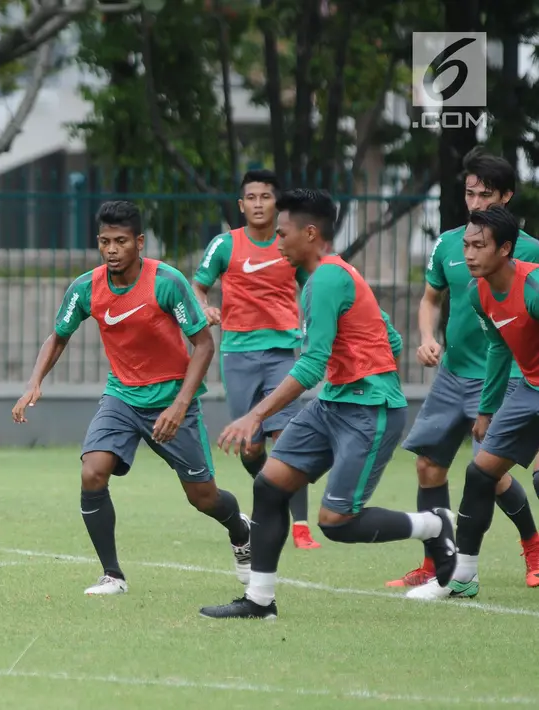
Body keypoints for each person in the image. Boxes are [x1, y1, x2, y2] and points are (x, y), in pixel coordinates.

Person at [198, 188, 456, 620]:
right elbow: (388, 337)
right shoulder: (330, 277)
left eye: (283, 234)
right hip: (333, 404)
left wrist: (255, 415)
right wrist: (360, 358)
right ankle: (260, 601)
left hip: (368, 411)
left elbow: (313, 364)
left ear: (310, 233)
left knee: (337, 523)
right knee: (269, 486)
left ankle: (435, 525)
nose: (277, 242)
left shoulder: (328, 279)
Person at [11, 200, 252, 596]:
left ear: (139, 242)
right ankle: (112, 575)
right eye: (104, 241)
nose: (111, 250)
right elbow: (58, 335)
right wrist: (35, 381)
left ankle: (241, 529)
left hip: (173, 398)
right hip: (121, 396)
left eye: (120, 241)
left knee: (203, 497)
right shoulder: (86, 287)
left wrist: (178, 405)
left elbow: (204, 346)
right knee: (92, 472)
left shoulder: (167, 282)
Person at [390, 150, 539, 588]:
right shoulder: (456, 250)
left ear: (507, 197)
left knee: (495, 475)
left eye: (486, 194)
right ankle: (442, 565)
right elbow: (433, 300)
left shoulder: (528, 262)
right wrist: (428, 337)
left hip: (518, 379)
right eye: (469, 193)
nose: (476, 203)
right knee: (433, 468)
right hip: (460, 376)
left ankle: (532, 546)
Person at [193, 169, 318, 550]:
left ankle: (300, 526)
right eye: (252, 197)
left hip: (282, 353)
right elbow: (197, 285)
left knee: (286, 438)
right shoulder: (225, 246)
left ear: (276, 204)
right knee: (252, 447)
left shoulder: (289, 247)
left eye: (266, 196)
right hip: (237, 354)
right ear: (241, 205)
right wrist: (205, 308)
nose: (259, 203)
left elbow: (314, 283)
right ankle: (270, 491)